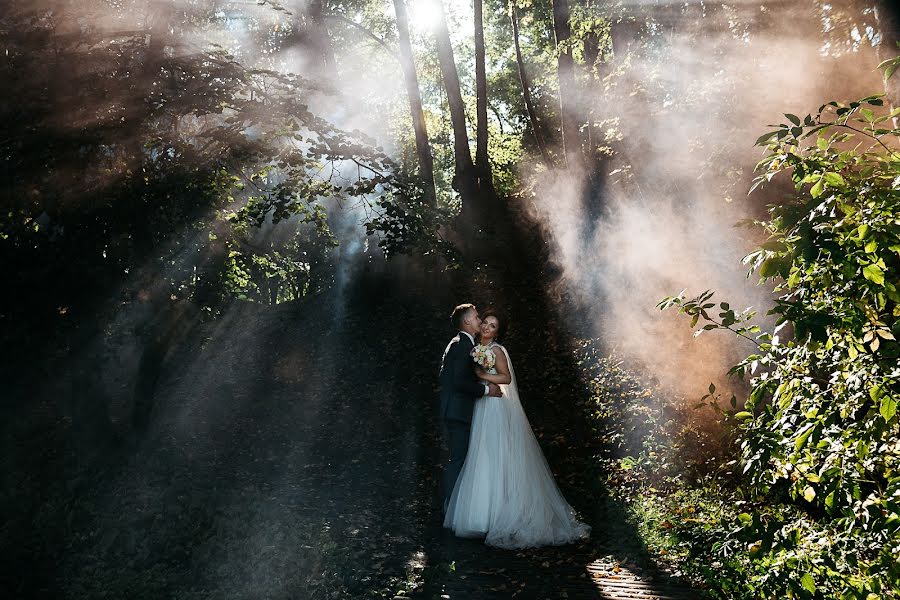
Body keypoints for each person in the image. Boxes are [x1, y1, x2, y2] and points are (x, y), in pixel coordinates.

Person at [443, 309, 590, 549]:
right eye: (485, 323)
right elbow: (463, 378)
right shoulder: (471, 349)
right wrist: (478, 377)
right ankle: (480, 515)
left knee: (495, 451)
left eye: (492, 325)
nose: (487, 327)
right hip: (481, 406)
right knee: (480, 454)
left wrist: (483, 375)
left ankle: (498, 514)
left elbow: (507, 378)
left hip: (495, 405)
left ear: (498, 332)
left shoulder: (498, 351)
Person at [438, 303, 503, 515]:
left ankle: (455, 506)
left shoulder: (462, 344)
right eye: (476, 317)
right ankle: (451, 508)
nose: (479, 321)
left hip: (456, 410)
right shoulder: (461, 345)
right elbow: (459, 382)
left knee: (460, 458)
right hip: (458, 412)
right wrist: (485, 391)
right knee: (458, 459)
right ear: (466, 321)